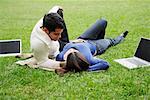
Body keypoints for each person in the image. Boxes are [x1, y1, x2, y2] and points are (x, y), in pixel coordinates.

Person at [55, 19, 128, 74]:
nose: (71, 50)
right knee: (110, 41)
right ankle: (121, 37)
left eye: (71, 51)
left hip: (83, 38)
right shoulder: (88, 58)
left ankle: (99, 38)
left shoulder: (60, 56)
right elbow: (105, 64)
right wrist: (87, 69)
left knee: (103, 21)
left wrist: (72, 42)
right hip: (96, 45)